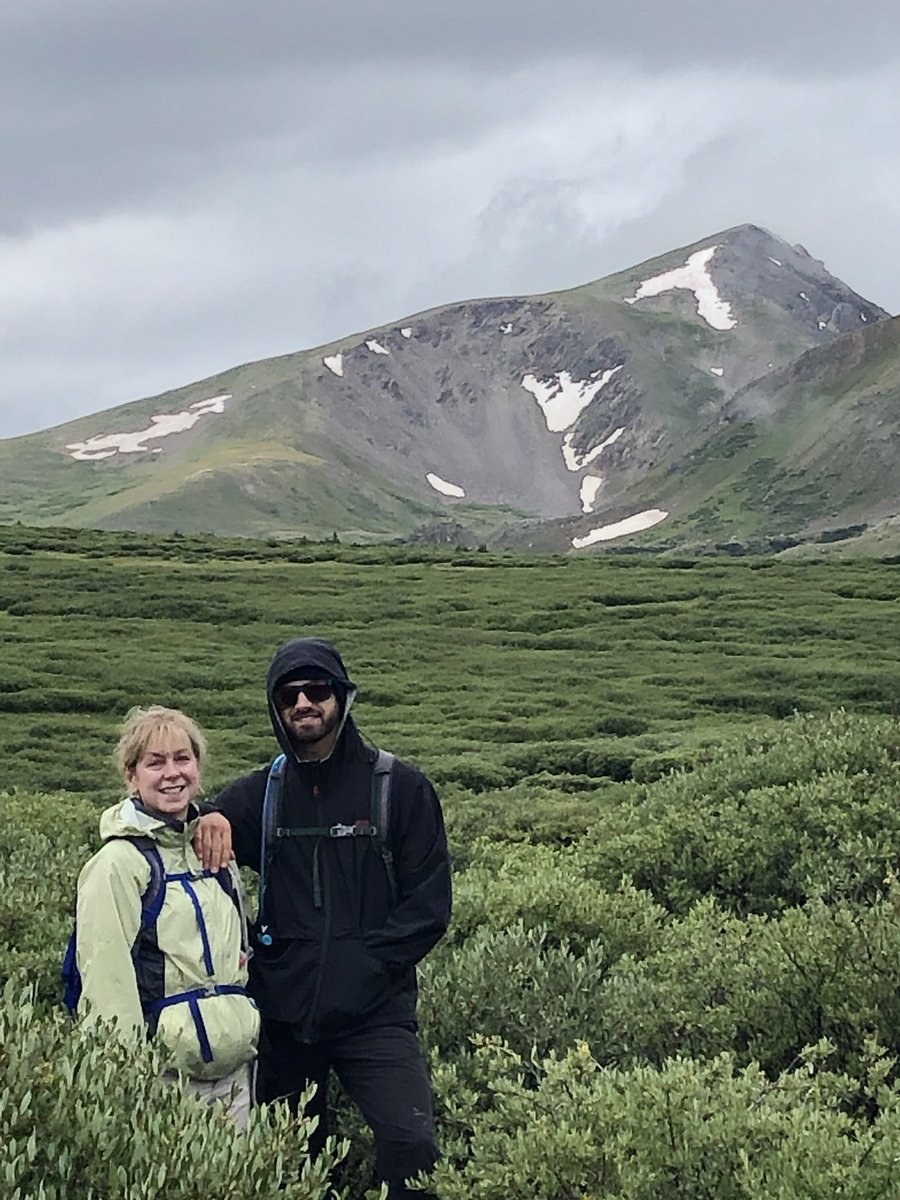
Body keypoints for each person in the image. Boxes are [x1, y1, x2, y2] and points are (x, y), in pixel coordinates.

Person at [196, 637, 452, 1199]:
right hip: (284, 1018)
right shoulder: (261, 795)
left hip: (376, 1014)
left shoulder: (401, 788)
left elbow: (429, 907)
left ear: (342, 697)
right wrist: (206, 815)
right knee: (291, 1158)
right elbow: (182, 821)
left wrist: (364, 968)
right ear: (276, 708)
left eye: (317, 691)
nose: (303, 704)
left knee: (411, 1145)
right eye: (289, 695)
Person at [74, 706, 259, 1128]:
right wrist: (127, 1081)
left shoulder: (211, 850)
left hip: (235, 1076)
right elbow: (106, 981)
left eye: (182, 759)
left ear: (198, 767)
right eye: (155, 762)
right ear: (131, 776)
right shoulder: (118, 864)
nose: (172, 773)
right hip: (164, 1081)